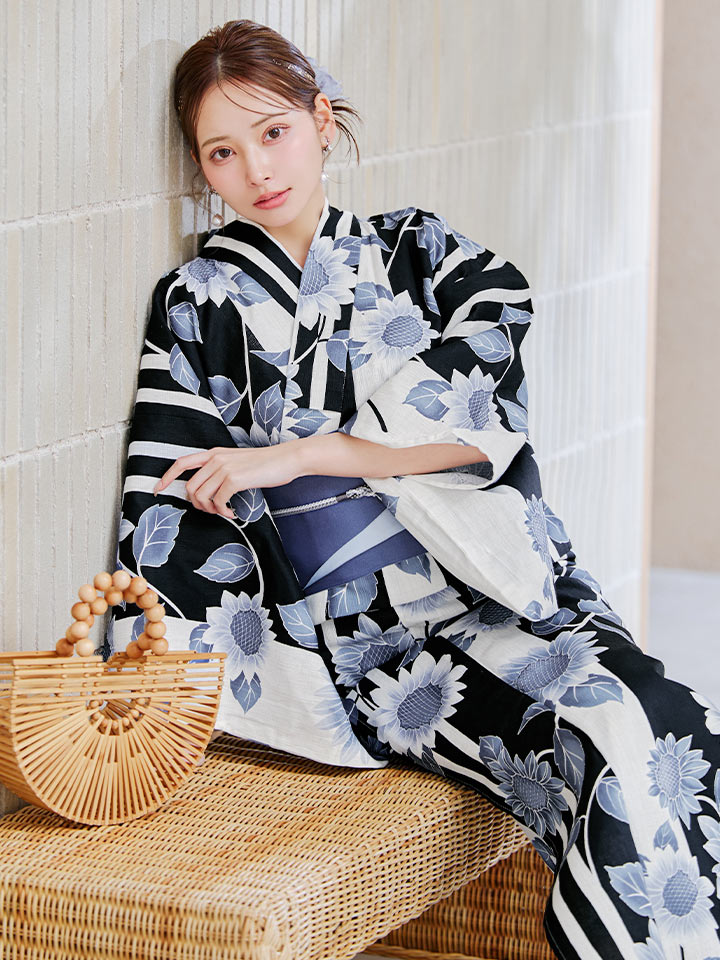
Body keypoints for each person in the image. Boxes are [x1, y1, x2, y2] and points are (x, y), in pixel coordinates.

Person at [106, 18, 720, 960]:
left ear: (322, 121)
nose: (256, 170)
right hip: (378, 648)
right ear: (201, 167)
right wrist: (158, 677)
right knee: (595, 738)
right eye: (221, 152)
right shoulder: (197, 303)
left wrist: (304, 454)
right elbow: (167, 506)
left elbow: (489, 374)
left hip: (497, 586)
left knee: (671, 718)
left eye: (274, 132)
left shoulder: (418, 251)